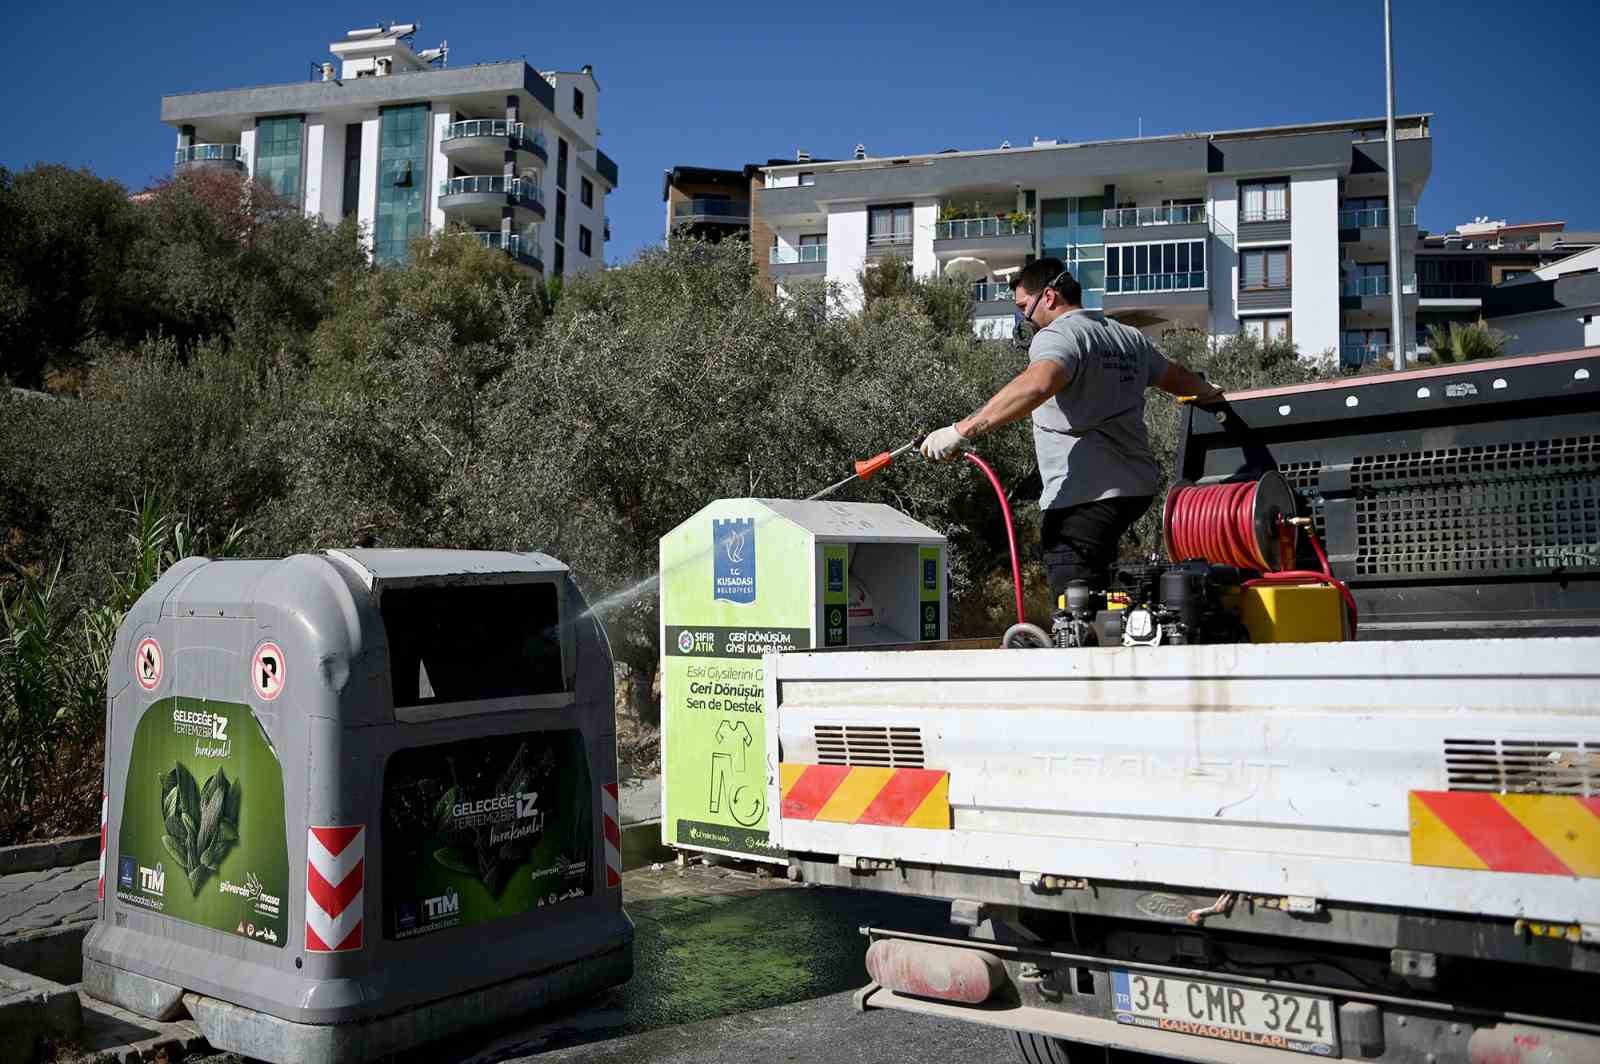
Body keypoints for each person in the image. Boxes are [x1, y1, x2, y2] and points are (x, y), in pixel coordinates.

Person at [921, 257, 1222, 605]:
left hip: (1082, 498)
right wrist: (1211, 393)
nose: (1023, 318)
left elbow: (1039, 383)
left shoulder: (1059, 335)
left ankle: (1082, 653)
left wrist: (961, 430)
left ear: (1048, 297)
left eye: (1023, 307)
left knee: (1075, 609)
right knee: (1104, 596)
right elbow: (1176, 376)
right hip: (1134, 490)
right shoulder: (1127, 337)